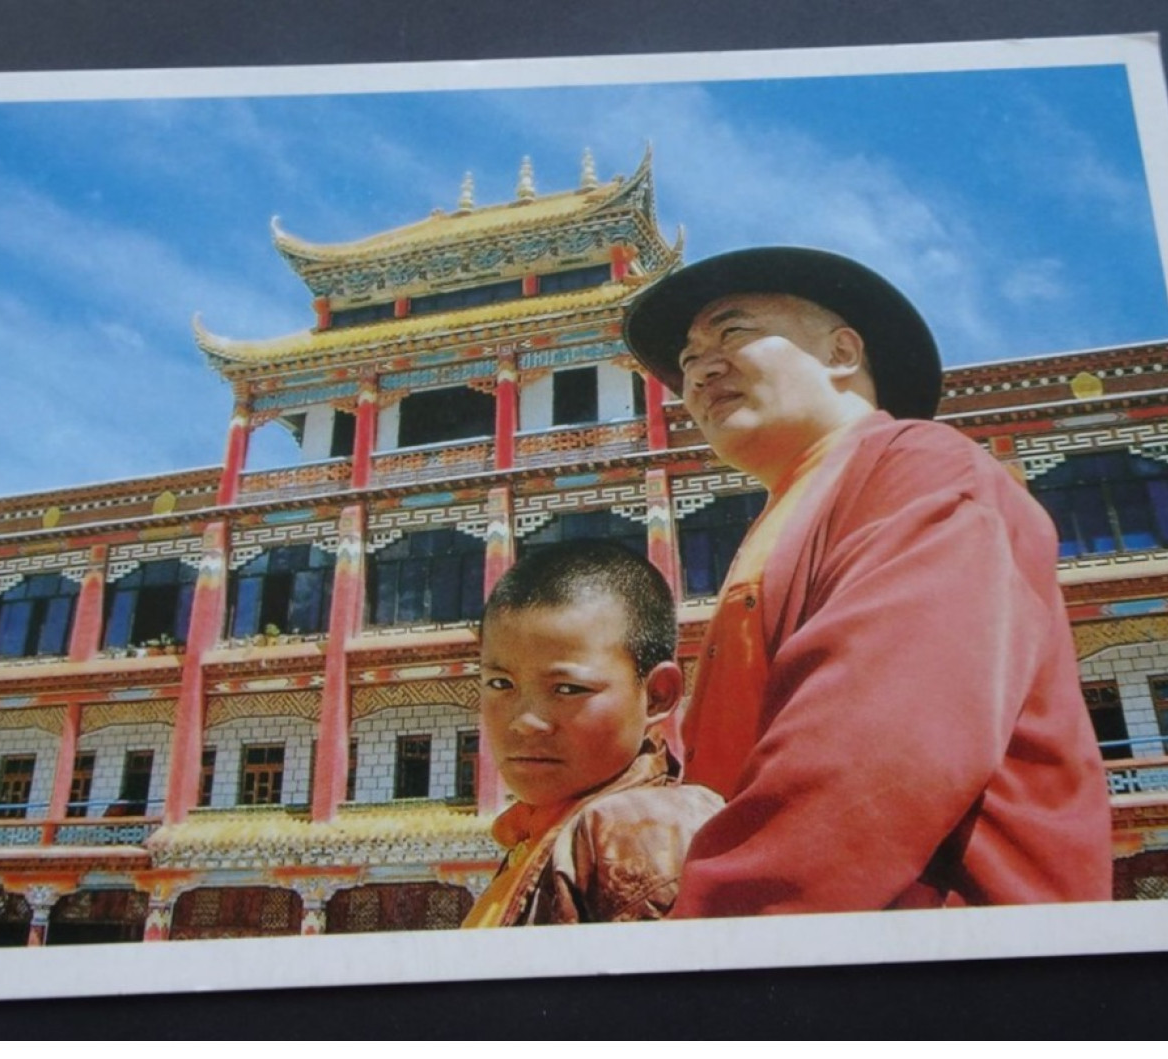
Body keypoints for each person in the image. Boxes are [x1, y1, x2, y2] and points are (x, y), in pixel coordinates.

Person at [622, 246, 1113, 916]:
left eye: (731, 333)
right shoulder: (796, 506)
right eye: (685, 359)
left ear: (841, 352)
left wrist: (706, 943)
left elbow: (880, 757)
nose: (698, 368)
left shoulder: (921, 470)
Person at [462, 540, 723, 927]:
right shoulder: (547, 826)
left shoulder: (632, 832)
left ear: (657, 695)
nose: (524, 721)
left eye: (567, 689)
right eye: (500, 684)